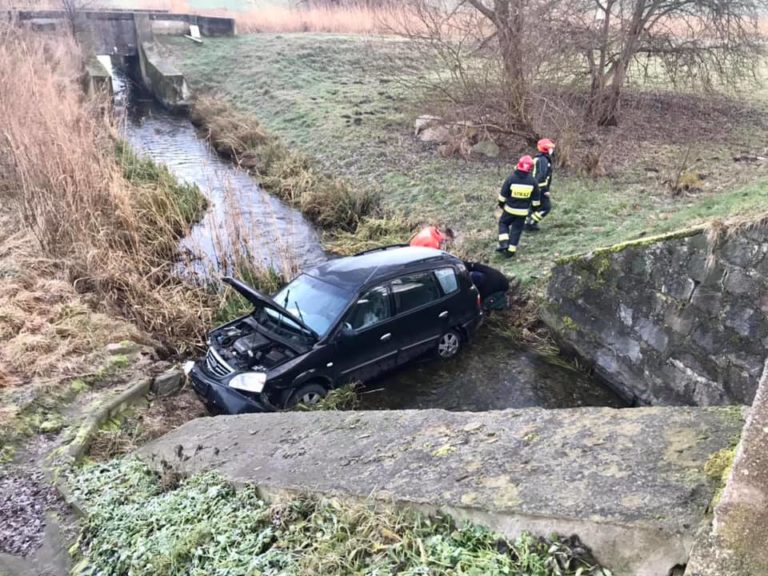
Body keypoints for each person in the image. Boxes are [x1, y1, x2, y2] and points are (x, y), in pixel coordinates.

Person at [496, 155, 540, 258]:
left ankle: (504, 243)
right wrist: (532, 210)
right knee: (516, 230)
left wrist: (502, 205)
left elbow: (502, 196)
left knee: (503, 223)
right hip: (523, 212)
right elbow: (536, 202)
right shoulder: (533, 182)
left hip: (509, 209)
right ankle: (510, 252)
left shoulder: (511, 178)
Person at [526, 138, 555, 232]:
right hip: (539, 188)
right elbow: (541, 175)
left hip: (533, 186)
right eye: (550, 148)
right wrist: (545, 190)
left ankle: (526, 222)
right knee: (546, 207)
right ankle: (531, 222)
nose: (552, 150)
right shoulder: (543, 160)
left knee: (534, 206)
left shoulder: (537, 158)